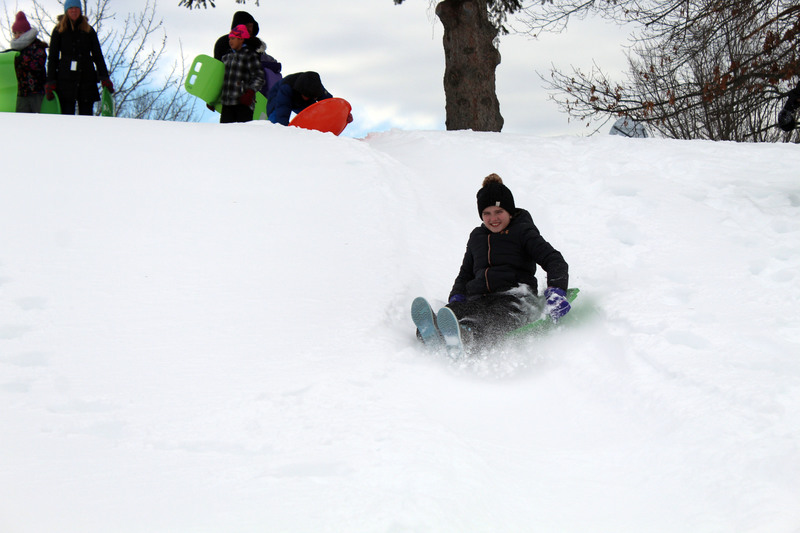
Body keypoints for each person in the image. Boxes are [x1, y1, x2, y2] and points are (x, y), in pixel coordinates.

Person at [414, 174, 571, 350]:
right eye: (486, 213)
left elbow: (554, 259)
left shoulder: (522, 232)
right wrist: (457, 296)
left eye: (499, 212)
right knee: (457, 312)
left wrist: (556, 290)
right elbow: (465, 274)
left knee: (493, 318)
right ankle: (432, 331)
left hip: (514, 298)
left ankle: (467, 335)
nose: (493, 218)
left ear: (509, 211)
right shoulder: (477, 238)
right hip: (479, 298)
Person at [45, 0, 113, 116]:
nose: (74, 10)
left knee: (86, 115)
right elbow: (53, 57)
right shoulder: (58, 31)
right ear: (66, 10)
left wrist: (104, 77)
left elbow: (97, 55)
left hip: (86, 77)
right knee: (66, 115)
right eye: (71, 8)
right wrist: (50, 80)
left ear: (80, 10)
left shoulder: (89, 30)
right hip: (65, 79)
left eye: (76, 8)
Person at [218, 24, 264, 124]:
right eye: (229, 39)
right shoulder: (226, 57)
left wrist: (250, 92)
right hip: (227, 103)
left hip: (243, 103)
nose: (230, 41)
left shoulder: (250, 55)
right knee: (224, 134)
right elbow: (219, 80)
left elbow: (259, 76)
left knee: (242, 134)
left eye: (233, 38)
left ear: (241, 39)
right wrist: (212, 99)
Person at [9, 11, 47, 113]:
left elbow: (37, 65)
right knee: (21, 124)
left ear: (26, 32)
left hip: (36, 92)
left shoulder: (38, 46)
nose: (17, 36)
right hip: (20, 93)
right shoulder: (14, 49)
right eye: (15, 33)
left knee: (39, 122)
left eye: (20, 32)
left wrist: (21, 59)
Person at [266, 71, 334, 125]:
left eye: (310, 97)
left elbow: (329, 102)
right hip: (278, 97)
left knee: (312, 116)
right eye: (306, 96)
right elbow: (282, 112)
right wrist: (283, 129)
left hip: (301, 101)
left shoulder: (317, 88)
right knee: (276, 120)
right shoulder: (286, 88)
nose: (307, 98)